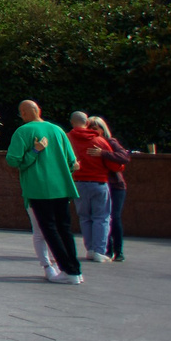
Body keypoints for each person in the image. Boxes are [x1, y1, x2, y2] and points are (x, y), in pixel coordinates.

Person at [6, 99, 83, 284]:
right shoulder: (58, 130)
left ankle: (67, 271)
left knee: (49, 229)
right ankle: (75, 271)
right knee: (64, 229)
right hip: (62, 187)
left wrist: (34, 152)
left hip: (38, 188)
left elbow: (13, 160)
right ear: (39, 110)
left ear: (23, 113)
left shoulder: (22, 131)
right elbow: (72, 162)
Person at [68, 110, 122, 263]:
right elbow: (115, 165)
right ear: (87, 123)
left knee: (84, 217)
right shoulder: (99, 141)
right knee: (101, 217)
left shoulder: (67, 138)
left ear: (72, 123)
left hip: (78, 182)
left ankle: (90, 249)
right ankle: (99, 251)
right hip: (99, 183)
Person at [92, 115, 129, 261]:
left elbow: (124, 157)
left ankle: (118, 251)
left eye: (95, 128)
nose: (92, 132)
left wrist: (103, 153)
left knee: (114, 217)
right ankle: (106, 249)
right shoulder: (89, 143)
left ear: (102, 129)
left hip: (115, 186)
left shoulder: (110, 142)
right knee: (102, 218)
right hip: (99, 184)